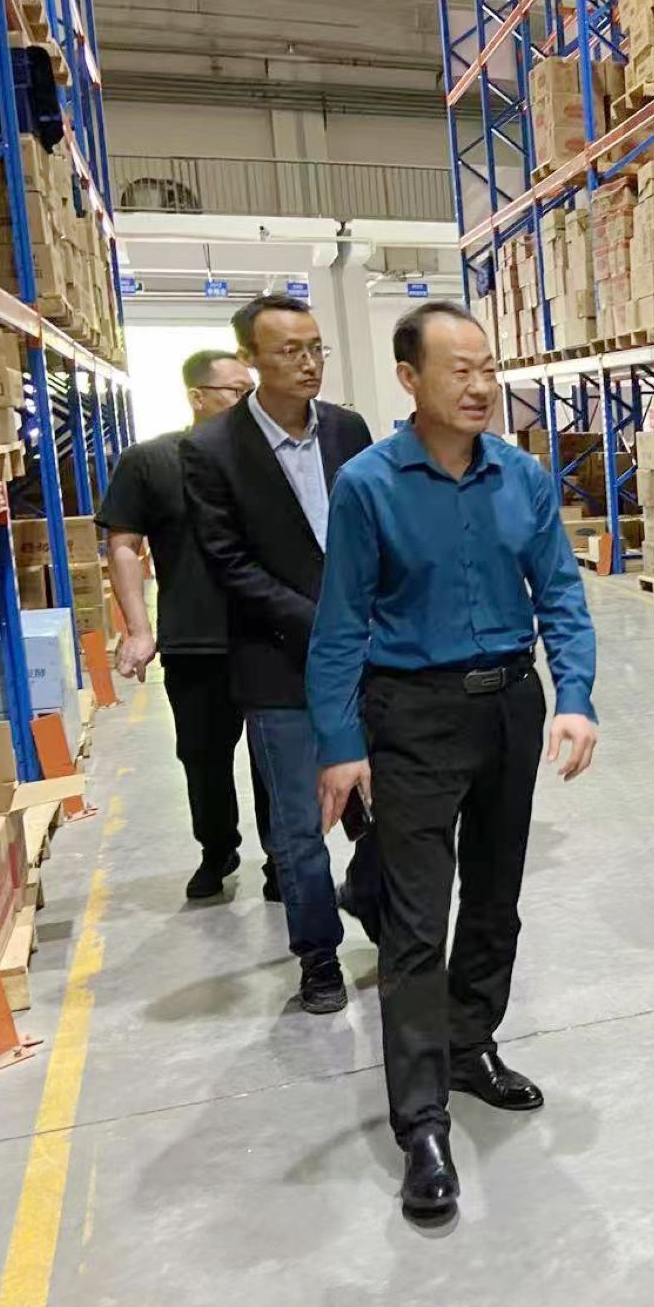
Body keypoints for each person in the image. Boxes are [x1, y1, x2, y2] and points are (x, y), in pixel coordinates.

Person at [310, 300, 598, 1220]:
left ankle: (471, 1043)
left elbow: (561, 594)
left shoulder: (523, 475)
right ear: (410, 378)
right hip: (413, 715)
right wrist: (341, 745)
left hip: (510, 704)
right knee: (415, 923)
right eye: (458, 370)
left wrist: (575, 695)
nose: (480, 387)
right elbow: (339, 626)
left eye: (488, 369)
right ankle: (421, 1121)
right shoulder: (367, 484)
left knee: (497, 897)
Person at [181, 294, 374, 1016]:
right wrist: (325, 623)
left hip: (371, 659)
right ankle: (318, 957)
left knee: (391, 808)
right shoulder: (211, 450)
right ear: (251, 359)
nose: (309, 362)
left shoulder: (348, 430)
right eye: (291, 350)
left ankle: (387, 920)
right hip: (278, 662)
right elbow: (229, 563)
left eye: (317, 347)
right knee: (299, 826)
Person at [97, 349, 280, 902]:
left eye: (252, 390)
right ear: (197, 396)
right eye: (236, 392)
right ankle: (216, 850)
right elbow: (124, 545)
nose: (249, 401)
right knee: (203, 758)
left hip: (269, 637)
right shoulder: (150, 461)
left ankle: (283, 860)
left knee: (277, 759)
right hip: (195, 640)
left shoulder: (272, 456)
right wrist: (138, 630)